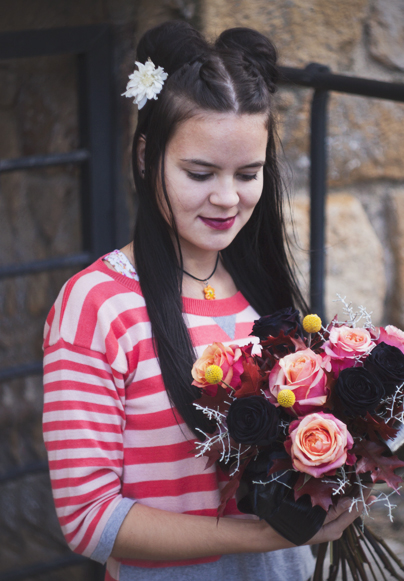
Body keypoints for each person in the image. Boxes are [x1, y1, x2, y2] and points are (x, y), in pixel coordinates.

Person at [42, 20, 367, 581]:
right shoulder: (96, 306)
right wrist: (258, 535)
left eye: (248, 173)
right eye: (199, 172)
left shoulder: (264, 289)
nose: (226, 198)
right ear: (147, 157)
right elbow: (89, 519)